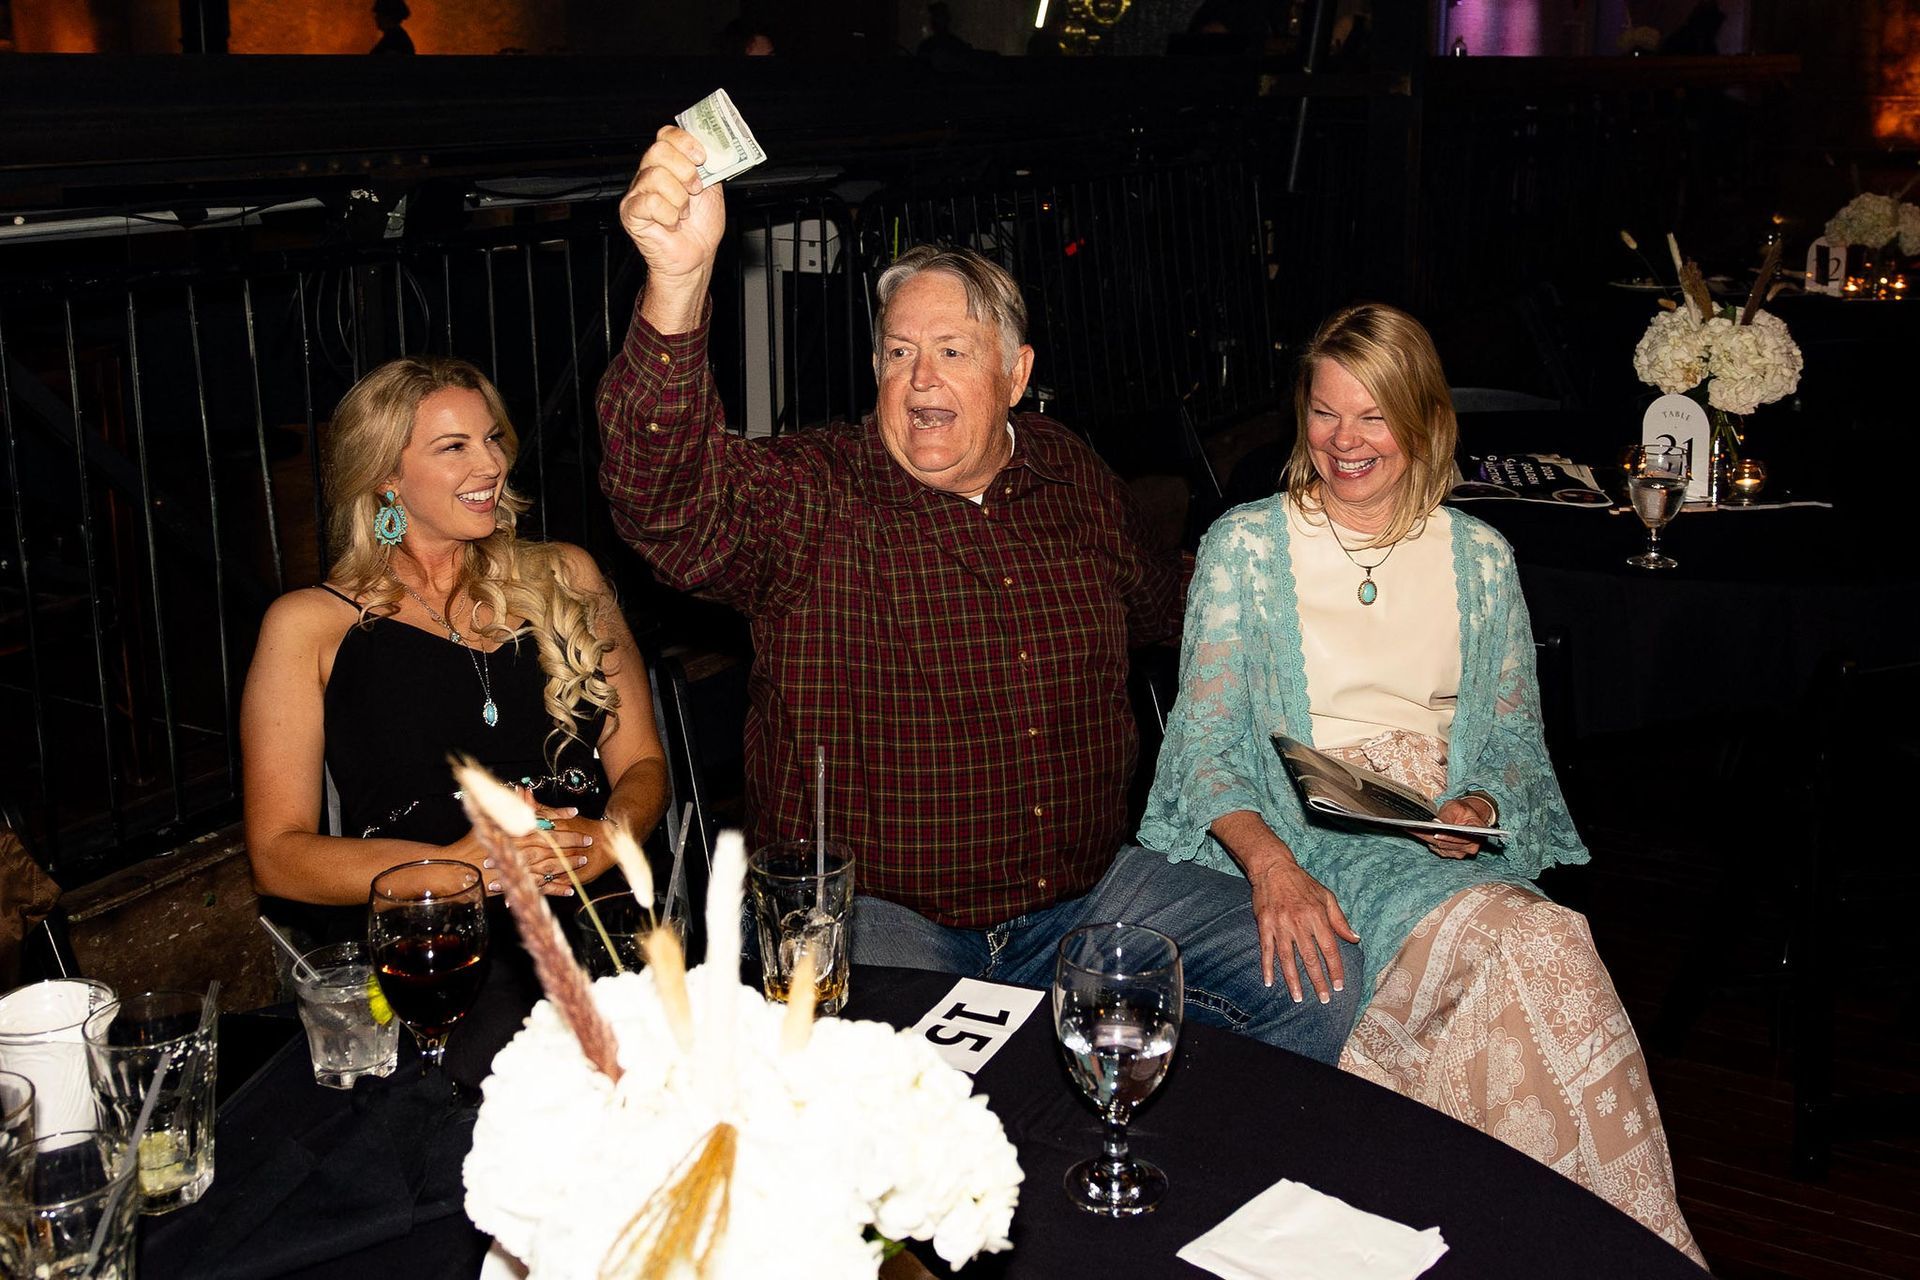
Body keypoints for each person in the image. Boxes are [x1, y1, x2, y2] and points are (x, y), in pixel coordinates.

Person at [595, 124, 1360, 1060]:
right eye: (897, 351)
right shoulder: (816, 495)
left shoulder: (1066, 472)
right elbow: (667, 501)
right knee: (915, 1111)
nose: (919, 378)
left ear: (1016, 375)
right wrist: (676, 288)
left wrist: (1304, 544)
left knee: (1318, 979)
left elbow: (1175, 609)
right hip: (884, 918)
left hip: (1088, 898)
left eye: (952, 351)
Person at [1138, 303, 1703, 1261]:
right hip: (1297, 819)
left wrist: (1477, 808)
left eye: (1374, 416)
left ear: (1426, 420)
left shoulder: (1480, 560)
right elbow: (1203, 746)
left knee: (1533, 954)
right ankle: (1626, 1251)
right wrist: (1272, 868)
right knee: (1537, 947)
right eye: (1325, 414)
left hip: (1432, 835)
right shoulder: (1246, 545)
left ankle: (1559, 1244)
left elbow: (1515, 749)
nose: (1345, 443)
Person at [241, 357, 668, 950]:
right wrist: (458, 868)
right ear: (386, 475)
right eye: (454, 447)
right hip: (433, 937)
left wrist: (611, 837)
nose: (491, 464)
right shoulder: (309, 626)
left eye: (492, 438)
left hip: (595, 916)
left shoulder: (566, 575)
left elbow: (643, 760)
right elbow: (277, 855)